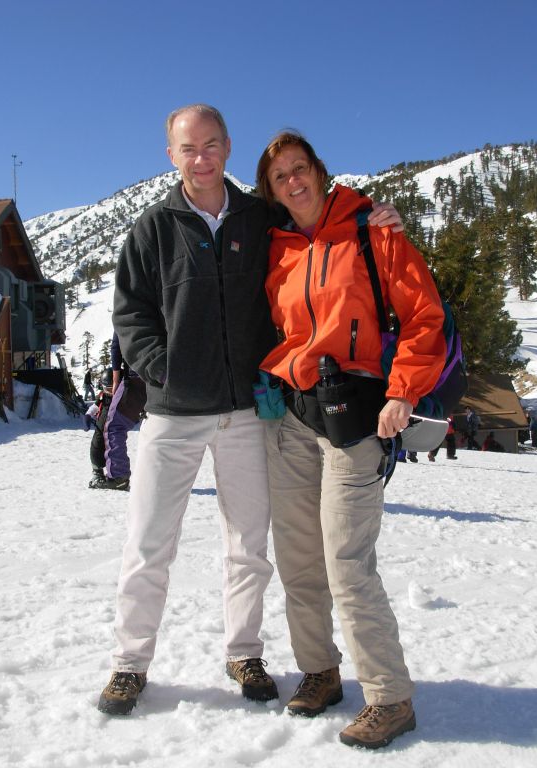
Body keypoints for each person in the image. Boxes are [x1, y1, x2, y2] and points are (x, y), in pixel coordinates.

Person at [97, 102, 409, 717]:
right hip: (171, 412)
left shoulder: (257, 216)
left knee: (248, 544)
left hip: (246, 411)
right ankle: (130, 664)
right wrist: (162, 367)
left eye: (212, 144)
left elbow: (317, 216)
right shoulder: (153, 226)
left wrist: (378, 213)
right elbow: (130, 312)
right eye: (189, 148)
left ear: (228, 146)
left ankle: (244, 652)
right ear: (172, 156)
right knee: (148, 543)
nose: (202, 157)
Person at [256, 131, 447, 749]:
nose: (293, 181)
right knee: (299, 561)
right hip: (290, 418)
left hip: (355, 418)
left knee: (346, 561)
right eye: (280, 175)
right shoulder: (275, 246)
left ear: (319, 170)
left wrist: (403, 391)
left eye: (300, 168)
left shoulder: (371, 229)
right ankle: (320, 671)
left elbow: (423, 315)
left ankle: (390, 697)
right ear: (271, 190)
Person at [89, 332, 147, 491]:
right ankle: (164, 477)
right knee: (163, 427)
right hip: (170, 373)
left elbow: (117, 343)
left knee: (115, 425)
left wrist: (116, 380)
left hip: (138, 376)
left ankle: (118, 477)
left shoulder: (128, 307)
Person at [86, 368, 114, 479]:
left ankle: (116, 474)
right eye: (105, 388)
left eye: (111, 389)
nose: (108, 391)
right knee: (96, 445)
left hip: (113, 430)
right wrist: (88, 415)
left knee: (114, 449)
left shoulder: (120, 398)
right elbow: (96, 405)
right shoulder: (103, 396)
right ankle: (97, 471)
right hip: (100, 427)